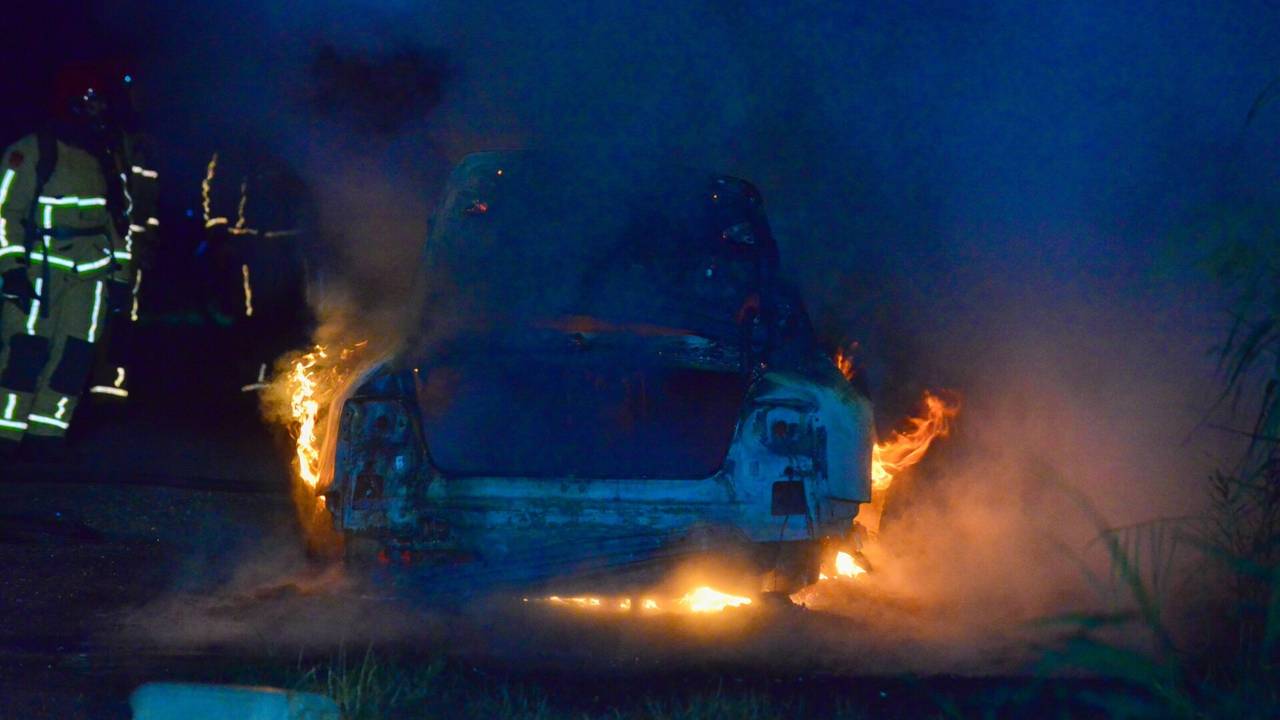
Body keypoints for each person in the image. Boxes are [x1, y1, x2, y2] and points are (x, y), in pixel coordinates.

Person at [0, 64, 142, 458]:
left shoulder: (104, 157)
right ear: (71, 104)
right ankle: (6, 434)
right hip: (38, 274)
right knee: (24, 352)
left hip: (90, 278)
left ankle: (47, 435)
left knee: (75, 356)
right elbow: (4, 212)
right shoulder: (32, 150)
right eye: (90, 100)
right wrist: (9, 269)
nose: (98, 109)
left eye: (100, 101)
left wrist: (120, 276)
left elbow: (117, 221)